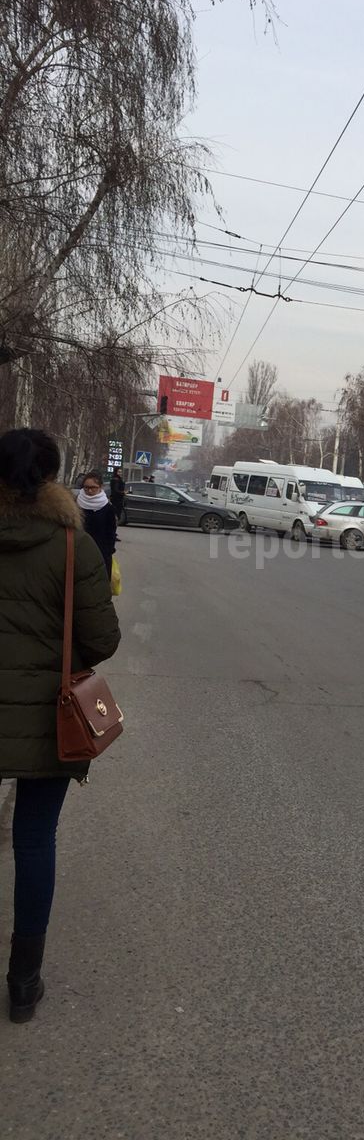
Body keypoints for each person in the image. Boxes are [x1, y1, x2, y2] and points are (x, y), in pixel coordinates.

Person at [0, 429, 120, 1023]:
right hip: (47, 717)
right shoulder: (74, 546)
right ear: (52, 475)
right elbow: (103, 639)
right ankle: (24, 982)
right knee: (33, 839)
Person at [78, 471, 118, 578]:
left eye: (93, 487)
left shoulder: (107, 507)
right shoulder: (76, 504)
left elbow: (111, 533)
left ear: (100, 487)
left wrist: (108, 551)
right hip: (79, 553)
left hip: (101, 554)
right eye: (86, 487)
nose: (89, 490)